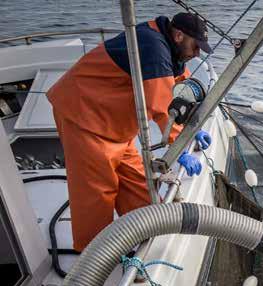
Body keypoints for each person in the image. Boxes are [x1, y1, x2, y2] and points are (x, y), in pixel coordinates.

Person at [46, 13, 215, 251]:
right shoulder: (152, 46)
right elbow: (163, 104)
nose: (197, 53)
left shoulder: (166, 45)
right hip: (85, 118)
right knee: (97, 194)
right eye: (196, 46)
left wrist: (193, 128)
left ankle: (142, 236)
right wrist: (180, 146)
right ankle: (92, 259)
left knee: (142, 193)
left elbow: (177, 80)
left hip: (117, 130)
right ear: (178, 35)